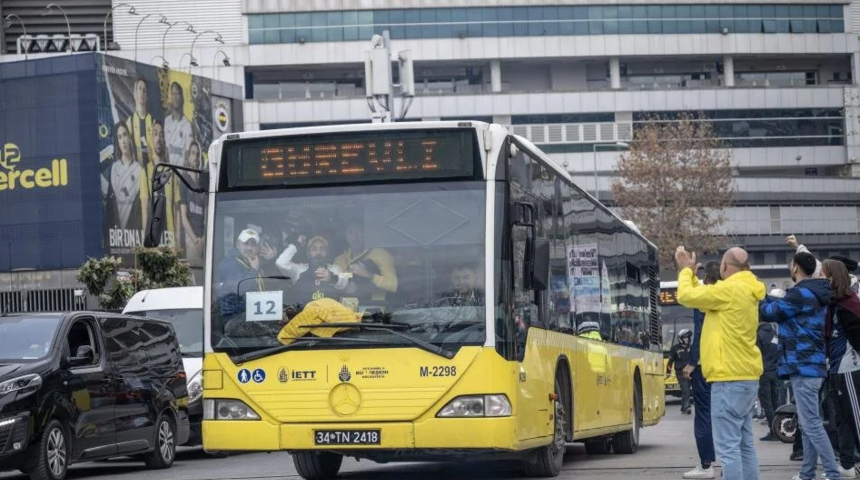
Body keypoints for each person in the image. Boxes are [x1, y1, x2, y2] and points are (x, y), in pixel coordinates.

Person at [675, 246, 764, 480]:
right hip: (747, 377)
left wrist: (685, 271)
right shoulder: (746, 289)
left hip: (728, 379)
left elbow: (685, 296)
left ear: (725, 266)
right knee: (745, 446)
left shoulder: (729, 290)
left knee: (729, 449)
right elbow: (703, 301)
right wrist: (693, 276)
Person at [760, 252, 840, 480]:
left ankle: (833, 474)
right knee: (807, 423)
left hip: (803, 365)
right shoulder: (813, 292)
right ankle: (807, 473)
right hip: (811, 365)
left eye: (790, 264)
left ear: (795, 268)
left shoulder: (800, 293)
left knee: (811, 424)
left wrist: (757, 294)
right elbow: (783, 306)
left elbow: (769, 312)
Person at [681, 261, 720, 479]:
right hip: (726, 366)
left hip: (705, 366)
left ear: (706, 279)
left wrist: (692, 362)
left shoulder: (703, 299)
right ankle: (733, 464)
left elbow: (701, 332)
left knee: (703, 415)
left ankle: (706, 465)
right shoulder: (728, 295)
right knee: (726, 417)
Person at [823, 258, 860, 477]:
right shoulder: (833, 304)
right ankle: (847, 464)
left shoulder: (848, 304)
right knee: (843, 418)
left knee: (855, 417)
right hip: (836, 368)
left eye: (823, 274)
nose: (820, 277)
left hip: (849, 368)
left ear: (832, 277)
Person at [334, 221, 398, 304]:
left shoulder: (380, 254)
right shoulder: (339, 260)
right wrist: (343, 287)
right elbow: (332, 287)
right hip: (346, 310)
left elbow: (393, 285)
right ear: (345, 236)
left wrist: (368, 274)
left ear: (366, 233)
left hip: (374, 308)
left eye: (359, 232)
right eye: (350, 233)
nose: (355, 237)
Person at [217, 229, 276, 318]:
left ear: (258, 248)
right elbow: (238, 289)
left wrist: (270, 260)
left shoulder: (251, 261)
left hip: (252, 314)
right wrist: (254, 270)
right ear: (237, 245)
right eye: (246, 243)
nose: (249, 248)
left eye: (253, 245)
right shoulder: (229, 263)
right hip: (234, 317)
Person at [275, 235, 349, 304]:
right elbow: (281, 263)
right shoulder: (300, 269)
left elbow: (346, 280)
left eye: (322, 249)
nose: (318, 252)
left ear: (327, 252)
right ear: (308, 253)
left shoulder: (334, 269)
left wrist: (332, 278)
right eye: (314, 249)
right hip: (304, 315)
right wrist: (296, 244)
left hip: (329, 314)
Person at [103, 121, 144, 231]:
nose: (123, 141)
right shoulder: (114, 168)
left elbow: (140, 209)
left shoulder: (139, 170)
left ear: (130, 138)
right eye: (119, 137)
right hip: (117, 235)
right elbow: (110, 207)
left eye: (125, 135)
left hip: (133, 235)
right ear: (118, 142)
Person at [179, 141, 205, 267]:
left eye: (197, 154)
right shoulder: (184, 180)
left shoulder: (203, 181)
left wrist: (204, 238)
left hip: (205, 237)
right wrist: (196, 241)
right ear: (188, 156)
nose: (195, 157)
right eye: (193, 153)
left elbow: (208, 211)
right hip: (192, 238)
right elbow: (183, 218)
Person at [758, 320, 781, 441]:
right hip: (774, 371)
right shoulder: (774, 334)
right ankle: (779, 428)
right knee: (775, 401)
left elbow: (756, 354)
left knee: (767, 403)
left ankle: (773, 431)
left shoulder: (759, 334)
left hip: (763, 372)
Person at [126, 76, 155, 166]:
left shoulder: (153, 121)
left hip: (152, 172)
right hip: (136, 172)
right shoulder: (130, 121)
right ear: (135, 93)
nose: (141, 92)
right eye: (139, 89)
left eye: (144, 90)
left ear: (147, 96)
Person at [164, 82, 193, 167]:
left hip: (181, 174)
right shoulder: (167, 121)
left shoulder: (187, 125)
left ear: (182, 97)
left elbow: (188, 155)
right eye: (173, 94)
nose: (175, 97)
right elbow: (166, 150)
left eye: (177, 94)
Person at [667, 328, 693, 415]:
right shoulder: (675, 348)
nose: (687, 339)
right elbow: (670, 361)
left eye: (688, 338)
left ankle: (683, 407)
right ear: (680, 339)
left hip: (691, 372)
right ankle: (687, 407)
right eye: (685, 338)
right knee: (686, 390)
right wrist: (668, 372)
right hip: (680, 373)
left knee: (687, 391)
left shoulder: (692, 348)